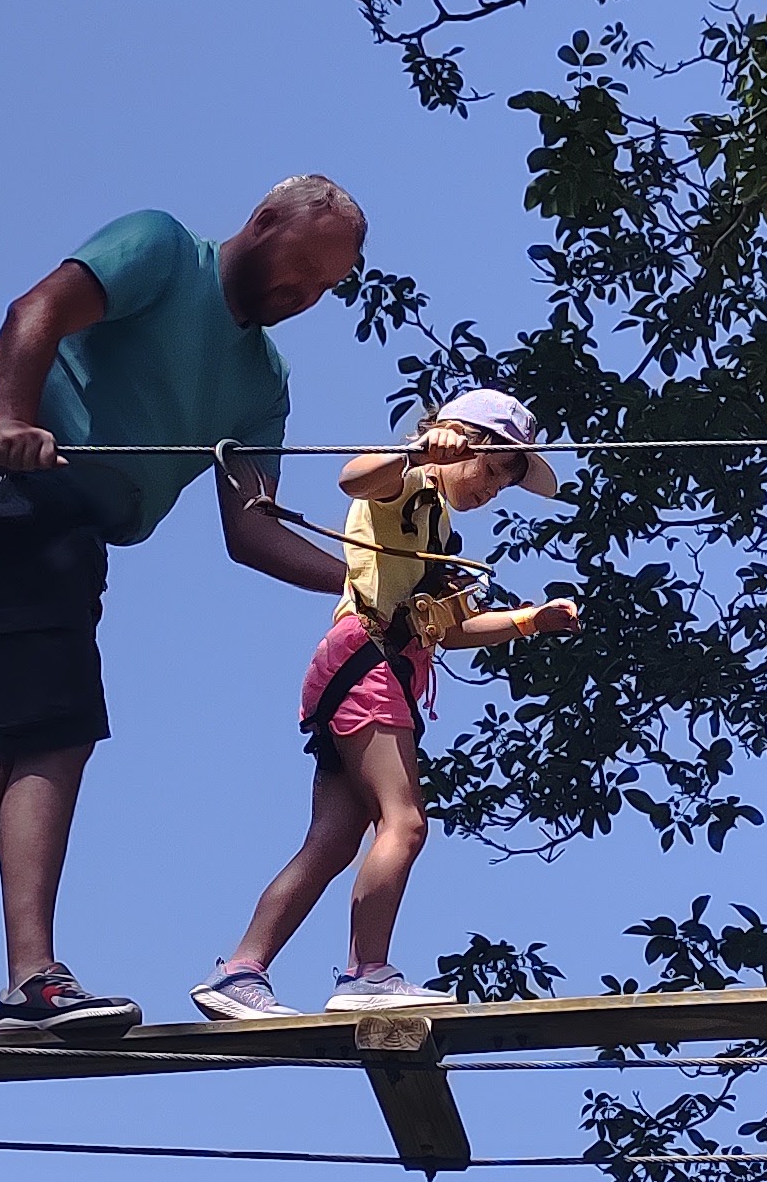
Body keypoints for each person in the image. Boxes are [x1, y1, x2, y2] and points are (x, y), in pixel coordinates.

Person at [0, 181, 364, 1046]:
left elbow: (251, 530)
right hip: (7, 490)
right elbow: (35, 312)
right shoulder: (162, 249)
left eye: (324, 288)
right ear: (262, 224)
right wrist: (14, 421)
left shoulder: (262, 379)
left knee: (9, 756)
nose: (304, 295)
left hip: (72, 536)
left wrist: (370, 586)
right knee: (57, 736)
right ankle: (32, 982)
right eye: (303, 269)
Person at [192, 393, 580, 1018]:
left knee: (332, 841)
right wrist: (421, 451)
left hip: (372, 670)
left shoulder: (439, 531)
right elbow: (354, 477)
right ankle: (367, 973)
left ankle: (241, 970)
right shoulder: (405, 485)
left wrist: (528, 621)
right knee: (405, 822)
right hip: (365, 664)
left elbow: (449, 630)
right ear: (459, 441)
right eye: (489, 469)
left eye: (503, 484)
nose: (490, 490)